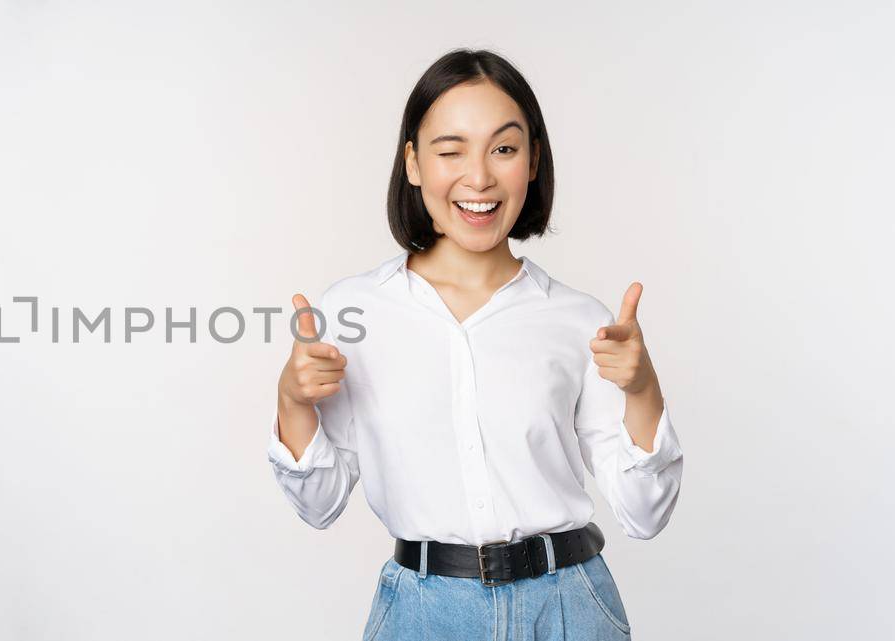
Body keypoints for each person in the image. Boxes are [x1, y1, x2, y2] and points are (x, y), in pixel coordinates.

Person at [267, 49, 684, 641]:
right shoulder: (350, 313)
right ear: (413, 163)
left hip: (569, 608)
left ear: (532, 161)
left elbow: (646, 513)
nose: (480, 177)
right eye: (451, 149)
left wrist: (643, 388)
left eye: (504, 148)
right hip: (421, 614)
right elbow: (319, 505)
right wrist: (292, 402)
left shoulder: (578, 320)